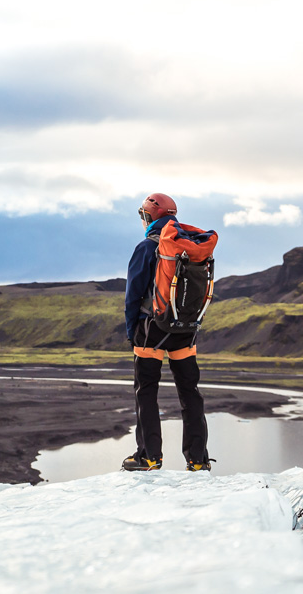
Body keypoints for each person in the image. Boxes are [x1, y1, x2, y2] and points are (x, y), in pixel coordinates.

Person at [121, 193, 212, 472]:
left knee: (146, 391)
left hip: (151, 330)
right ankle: (197, 460)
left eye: (143, 215)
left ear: (150, 216)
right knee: (190, 392)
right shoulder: (190, 245)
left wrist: (131, 331)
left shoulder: (148, 247)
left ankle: (149, 457)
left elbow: (133, 294)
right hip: (185, 329)